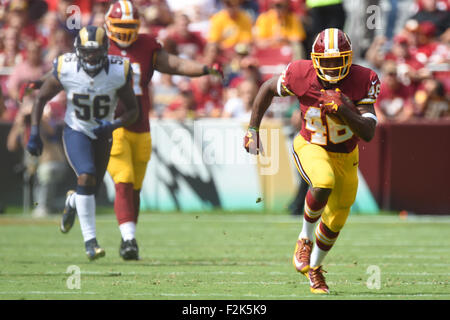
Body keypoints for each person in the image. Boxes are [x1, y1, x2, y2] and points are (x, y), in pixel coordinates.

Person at [243, 28, 380, 294]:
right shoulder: (299, 73)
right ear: (315, 59)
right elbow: (267, 89)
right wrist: (253, 130)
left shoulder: (364, 78)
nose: (331, 66)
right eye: (326, 61)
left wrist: (345, 109)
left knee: (337, 217)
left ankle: (314, 270)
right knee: (322, 180)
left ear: (349, 59)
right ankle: (304, 238)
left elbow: (368, 132)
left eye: (337, 60)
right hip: (310, 144)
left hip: (346, 154)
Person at [104, 0, 223, 260]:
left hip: (141, 127)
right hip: (112, 126)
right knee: (122, 180)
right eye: (121, 26)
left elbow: (177, 65)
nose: (125, 31)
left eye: (129, 26)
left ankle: (129, 236)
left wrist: (205, 68)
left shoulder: (146, 45)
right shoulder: (100, 47)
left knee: (134, 186)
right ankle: (128, 240)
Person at [26, 25, 139, 260]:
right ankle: (91, 242)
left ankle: (71, 200)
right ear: (78, 51)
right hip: (76, 130)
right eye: (86, 52)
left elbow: (133, 111)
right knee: (86, 175)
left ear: (105, 50)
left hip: (103, 133)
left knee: (90, 189)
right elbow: (41, 99)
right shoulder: (66, 67)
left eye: (96, 51)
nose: (91, 56)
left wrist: (113, 125)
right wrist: (34, 132)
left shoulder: (118, 71)